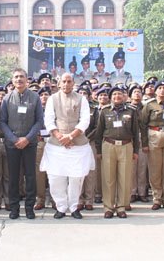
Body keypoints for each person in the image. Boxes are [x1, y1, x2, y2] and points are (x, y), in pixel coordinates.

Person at [41, 73, 95, 219]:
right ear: (59, 84)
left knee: (76, 178)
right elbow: (49, 120)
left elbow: (85, 121)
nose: (66, 84)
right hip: (56, 145)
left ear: (73, 83)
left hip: (77, 144)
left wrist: (70, 136)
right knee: (55, 178)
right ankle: (61, 207)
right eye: (63, 81)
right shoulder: (52, 99)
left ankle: (73, 207)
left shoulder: (81, 99)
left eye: (69, 81)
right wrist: (60, 137)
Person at [0, 68, 44, 220]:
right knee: (13, 177)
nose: (19, 79)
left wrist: (27, 138)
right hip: (12, 145)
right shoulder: (7, 99)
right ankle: (14, 208)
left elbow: (39, 121)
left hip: (29, 144)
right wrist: (13, 139)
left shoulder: (35, 97)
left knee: (30, 176)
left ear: (27, 80)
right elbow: (2, 122)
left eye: (22, 77)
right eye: (16, 77)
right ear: (12, 80)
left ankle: (29, 208)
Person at [95, 84, 142, 219]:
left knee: (125, 178)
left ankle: (122, 206)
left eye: (119, 94)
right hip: (108, 145)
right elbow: (99, 133)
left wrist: (136, 150)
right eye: (114, 94)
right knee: (108, 178)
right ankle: (108, 207)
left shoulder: (131, 111)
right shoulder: (104, 111)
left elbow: (135, 132)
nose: (117, 96)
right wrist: (99, 150)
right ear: (110, 97)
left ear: (124, 96)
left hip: (126, 146)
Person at [141, 80, 164, 211]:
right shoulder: (149, 105)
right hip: (154, 135)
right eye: (159, 88)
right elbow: (143, 125)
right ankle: (156, 198)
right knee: (155, 169)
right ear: (155, 91)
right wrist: (144, 143)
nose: (162, 90)